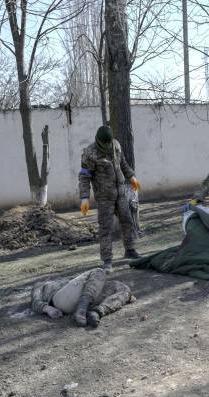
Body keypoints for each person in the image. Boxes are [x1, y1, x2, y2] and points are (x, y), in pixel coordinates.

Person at [79, 126, 142, 272]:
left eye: (109, 143)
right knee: (105, 229)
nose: (108, 146)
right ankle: (107, 261)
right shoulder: (90, 153)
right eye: (105, 144)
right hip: (104, 197)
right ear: (99, 141)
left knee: (127, 221)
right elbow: (84, 176)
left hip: (121, 192)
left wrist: (131, 177)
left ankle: (130, 249)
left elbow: (123, 164)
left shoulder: (116, 145)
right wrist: (84, 198)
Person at [31, 268, 134, 328]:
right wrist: (47, 308)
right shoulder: (41, 284)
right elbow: (35, 301)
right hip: (60, 300)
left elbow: (89, 283)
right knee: (98, 271)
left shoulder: (68, 279)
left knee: (123, 288)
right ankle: (81, 309)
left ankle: (98, 311)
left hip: (83, 296)